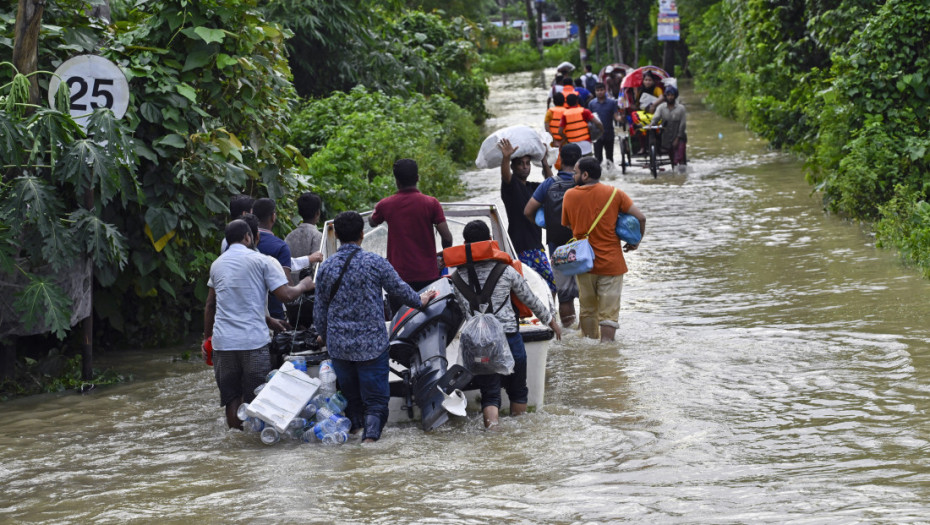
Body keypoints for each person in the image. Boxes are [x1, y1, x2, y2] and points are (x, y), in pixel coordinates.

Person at [314, 211, 437, 442]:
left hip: (340, 347)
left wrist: (325, 336)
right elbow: (401, 291)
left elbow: (319, 312)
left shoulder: (327, 268)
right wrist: (421, 301)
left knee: (350, 399)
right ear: (362, 234)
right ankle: (370, 443)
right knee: (376, 402)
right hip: (372, 346)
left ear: (337, 235)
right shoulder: (375, 263)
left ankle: (356, 434)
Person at [202, 219, 316, 429]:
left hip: (223, 344)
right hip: (253, 343)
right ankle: (256, 445)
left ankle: (237, 440)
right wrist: (304, 284)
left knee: (232, 398)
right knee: (257, 397)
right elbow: (286, 296)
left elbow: (212, 305)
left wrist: (206, 338)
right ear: (248, 237)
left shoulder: (217, 264)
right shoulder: (263, 261)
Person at [449, 221, 561, 429]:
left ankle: (492, 433)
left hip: (479, 346)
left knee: (489, 394)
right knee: (519, 391)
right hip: (509, 340)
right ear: (490, 242)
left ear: (465, 244)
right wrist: (551, 321)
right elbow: (530, 299)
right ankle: (518, 435)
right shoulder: (506, 271)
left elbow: (463, 313)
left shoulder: (456, 278)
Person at [561, 157, 646, 342]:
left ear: (585, 174)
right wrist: (636, 242)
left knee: (588, 309)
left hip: (584, 264)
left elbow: (568, 225)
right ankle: (607, 351)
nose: (573, 175)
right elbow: (641, 218)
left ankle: (592, 351)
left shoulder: (570, 196)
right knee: (609, 314)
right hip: (611, 264)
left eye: (575, 172)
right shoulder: (616, 194)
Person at [369, 159, 453, 314]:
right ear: (417, 178)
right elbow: (447, 237)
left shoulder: (385, 205)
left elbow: (372, 222)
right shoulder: (431, 203)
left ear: (396, 181)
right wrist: (444, 258)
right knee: (429, 319)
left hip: (397, 278)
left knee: (399, 322)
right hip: (428, 274)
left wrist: (376, 209)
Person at [523, 143, 584, 328]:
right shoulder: (585, 182)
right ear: (580, 162)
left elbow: (528, 211)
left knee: (565, 297)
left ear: (560, 160)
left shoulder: (549, 184)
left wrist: (544, 224)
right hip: (585, 247)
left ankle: (569, 334)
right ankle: (586, 335)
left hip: (558, 248)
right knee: (588, 297)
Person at [497, 138, 556, 294]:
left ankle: (548, 314)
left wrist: (544, 161)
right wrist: (506, 157)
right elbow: (505, 176)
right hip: (521, 247)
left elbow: (552, 186)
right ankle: (547, 315)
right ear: (513, 167)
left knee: (546, 286)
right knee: (548, 284)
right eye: (520, 164)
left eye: (527, 163)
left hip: (536, 245)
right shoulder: (511, 186)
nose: (525, 167)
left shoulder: (533, 188)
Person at [252, 198, 293, 321]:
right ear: (273, 217)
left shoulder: (235, 243)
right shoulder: (279, 246)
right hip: (273, 314)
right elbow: (286, 285)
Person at [284, 192, 324, 284]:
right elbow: (317, 268)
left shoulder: (289, 236)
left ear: (299, 212)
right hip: (309, 292)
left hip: (290, 289)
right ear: (318, 213)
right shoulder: (318, 236)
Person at [652, 86, 687, 169]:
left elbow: (683, 124)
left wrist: (677, 138)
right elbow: (656, 118)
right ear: (666, 96)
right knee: (673, 161)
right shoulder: (661, 107)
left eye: (672, 95)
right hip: (667, 138)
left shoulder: (681, 108)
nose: (670, 97)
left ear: (675, 96)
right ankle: (674, 178)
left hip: (680, 136)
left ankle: (682, 178)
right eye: (668, 95)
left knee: (680, 158)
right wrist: (652, 123)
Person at [587, 82, 622, 165]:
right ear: (595, 92)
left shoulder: (612, 103)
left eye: (601, 90)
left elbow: (616, 116)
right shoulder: (591, 104)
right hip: (596, 134)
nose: (600, 92)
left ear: (605, 90)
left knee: (610, 157)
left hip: (609, 132)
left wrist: (622, 118)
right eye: (597, 90)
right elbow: (589, 120)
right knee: (597, 158)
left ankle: (611, 175)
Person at [558, 93, 602, 157]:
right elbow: (598, 123)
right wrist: (601, 131)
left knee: (575, 166)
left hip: (573, 146)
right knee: (587, 165)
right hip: (586, 145)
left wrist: (567, 139)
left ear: (567, 103)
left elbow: (560, 132)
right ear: (577, 101)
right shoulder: (585, 111)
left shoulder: (565, 114)